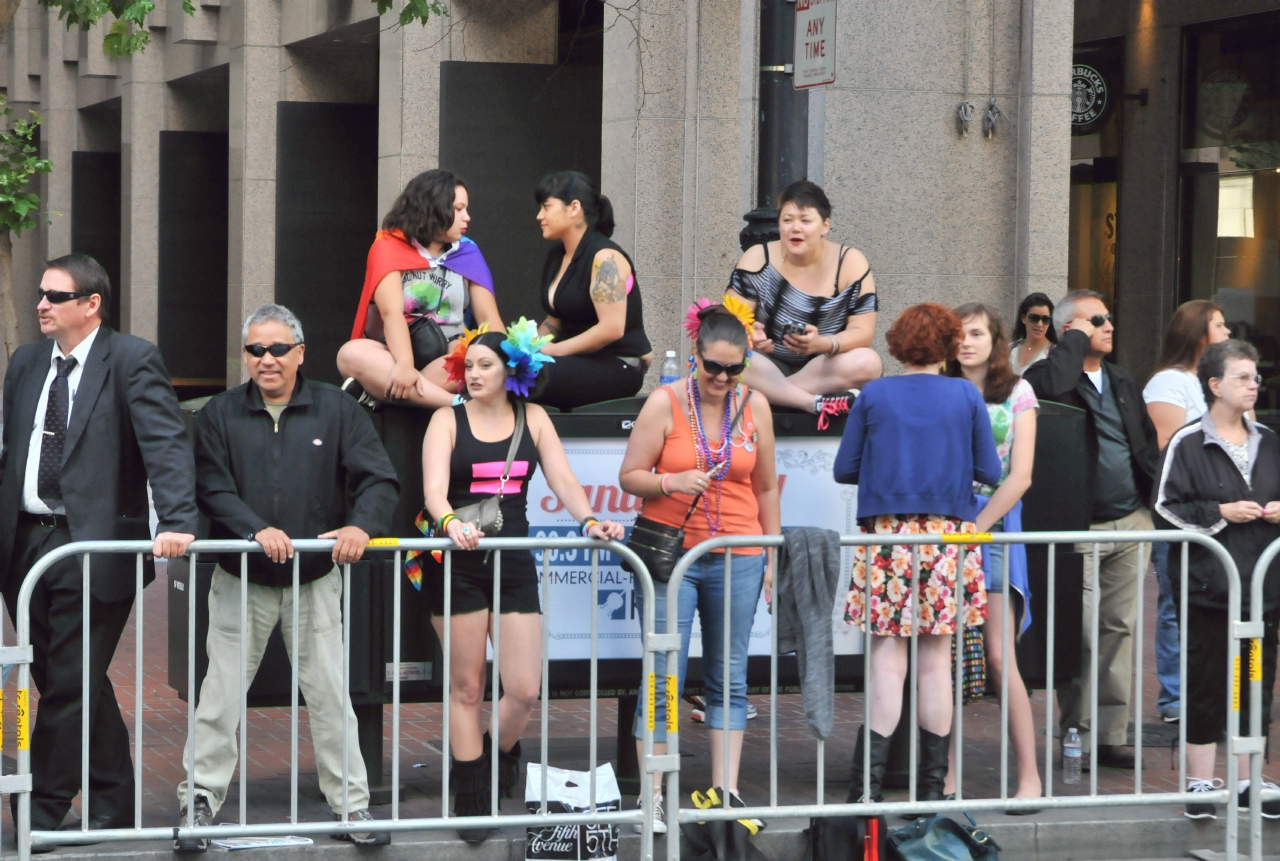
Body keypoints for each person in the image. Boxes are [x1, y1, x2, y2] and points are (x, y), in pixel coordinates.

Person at [178, 304, 398, 851]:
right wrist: (256, 529)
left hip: (317, 580)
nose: (266, 360)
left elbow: (379, 480)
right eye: (255, 350)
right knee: (219, 697)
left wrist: (361, 527)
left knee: (330, 696)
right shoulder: (219, 414)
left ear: (301, 352)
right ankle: (198, 803)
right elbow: (211, 487)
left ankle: (354, 807)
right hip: (240, 580)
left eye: (278, 349)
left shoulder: (338, 410)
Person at [0, 254, 197, 840]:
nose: (42, 304)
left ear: (91, 304)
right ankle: (114, 800)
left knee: (70, 677)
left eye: (55, 296)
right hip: (25, 546)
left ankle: (40, 809)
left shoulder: (132, 360)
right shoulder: (26, 362)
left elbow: (165, 443)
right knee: (67, 677)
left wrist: (179, 519)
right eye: (40, 293)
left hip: (93, 544)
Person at [420, 321, 625, 842]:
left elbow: (563, 479)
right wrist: (452, 525)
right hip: (457, 561)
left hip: (513, 561)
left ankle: (497, 755)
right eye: (468, 366)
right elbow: (434, 494)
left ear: (512, 370)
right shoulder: (446, 419)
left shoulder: (533, 418)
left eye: (485, 365)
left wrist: (589, 521)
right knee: (467, 686)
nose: (473, 374)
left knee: (524, 690)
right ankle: (472, 793)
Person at [618, 304, 780, 834]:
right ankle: (655, 796)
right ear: (696, 356)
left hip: (739, 552)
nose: (723, 379)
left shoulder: (755, 405)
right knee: (664, 676)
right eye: (714, 367)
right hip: (673, 555)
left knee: (730, 675)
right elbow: (630, 475)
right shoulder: (665, 402)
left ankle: (725, 792)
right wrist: (671, 481)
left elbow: (764, 487)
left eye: (735, 369)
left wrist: (772, 551)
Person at [834, 303, 1000, 808]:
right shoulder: (966, 396)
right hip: (948, 538)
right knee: (935, 663)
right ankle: (932, 793)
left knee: (886, 662)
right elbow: (990, 470)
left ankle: (866, 790)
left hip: (886, 537)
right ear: (949, 345)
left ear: (899, 344)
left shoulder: (876, 395)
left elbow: (846, 467)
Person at [1022, 290, 1159, 769]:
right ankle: (1075, 735)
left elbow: (1143, 440)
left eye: (1109, 317)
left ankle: (1108, 736)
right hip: (1078, 523)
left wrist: (1149, 502)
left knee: (1117, 630)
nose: (1109, 325)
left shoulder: (1121, 379)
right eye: (1095, 319)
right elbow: (1052, 388)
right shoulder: (1047, 375)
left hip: (1129, 519)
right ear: (1069, 330)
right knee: (1077, 634)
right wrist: (1072, 343)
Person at [1153, 339, 1280, 821]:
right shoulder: (1188, 441)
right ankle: (1200, 781)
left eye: (1256, 377)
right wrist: (1220, 513)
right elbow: (1164, 509)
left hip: (1262, 588)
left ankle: (1249, 778)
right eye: (1243, 378)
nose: (1254, 385)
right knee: (1206, 682)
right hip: (1208, 587)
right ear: (1214, 385)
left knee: (1255, 681)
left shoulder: (1270, 439)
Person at [944, 304, 1042, 804]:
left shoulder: (1020, 392)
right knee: (947, 657)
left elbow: (1020, 476)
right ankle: (949, 779)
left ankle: (1030, 778)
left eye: (977, 333)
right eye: (959, 334)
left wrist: (976, 530)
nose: (967, 342)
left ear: (996, 339)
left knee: (1001, 656)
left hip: (995, 523)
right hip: (943, 526)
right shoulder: (940, 388)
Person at [338, 169, 503, 409]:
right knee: (350, 354)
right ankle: (458, 403)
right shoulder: (388, 246)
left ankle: (383, 395)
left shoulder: (467, 251)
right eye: (457, 210)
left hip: (449, 350)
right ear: (431, 209)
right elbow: (391, 313)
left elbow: (489, 318)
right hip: (395, 351)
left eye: (465, 209)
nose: (467, 217)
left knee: (472, 357)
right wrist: (404, 364)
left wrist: (506, 361)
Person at [726, 180, 882, 430]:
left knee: (869, 362)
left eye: (805, 221)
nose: (795, 228)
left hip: (823, 369)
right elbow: (727, 325)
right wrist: (750, 337)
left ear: (825, 225)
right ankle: (811, 403)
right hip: (767, 363)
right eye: (787, 220)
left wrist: (823, 343)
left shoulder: (850, 261)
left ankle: (775, 398)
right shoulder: (757, 257)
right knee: (730, 354)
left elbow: (863, 332)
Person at [1143, 299, 1231, 725]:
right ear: (1199, 333)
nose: (1228, 332)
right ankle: (1175, 697)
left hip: (1230, 509)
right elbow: (1167, 448)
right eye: (1219, 325)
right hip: (1185, 509)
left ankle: (1223, 691)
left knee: (1228, 598)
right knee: (1177, 603)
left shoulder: (1223, 381)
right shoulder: (1169, 382)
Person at [533, 171, 652, 410]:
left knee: (529, 373)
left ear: (574, 207)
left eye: (546, 207)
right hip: (575, 362)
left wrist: (554, 351)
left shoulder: (606, 258)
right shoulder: (556, 256)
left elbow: (611, 328)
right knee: (496, 357)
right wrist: (526, 346)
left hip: (618, 364)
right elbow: (554, 321)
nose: (539, 216)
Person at [1008, 292, 1057, 374]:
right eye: (1034, 318)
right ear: (1023, 318)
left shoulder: (1055, 355)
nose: (1040, 324)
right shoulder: (1009, 350)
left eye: (1045, 319)